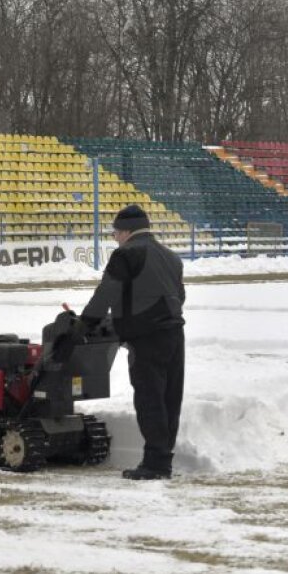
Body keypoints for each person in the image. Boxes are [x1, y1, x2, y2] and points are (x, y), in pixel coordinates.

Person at [79, 204, 185, 480]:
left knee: (150, 398)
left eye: (115, 233)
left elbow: (107, 294)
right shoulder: (171, 257)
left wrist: (85, 324)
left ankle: (155, 464)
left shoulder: (126, 254)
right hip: (174, 334)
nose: (115, 238)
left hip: (146, 339)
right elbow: (178, 296)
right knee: (169, 399)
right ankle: (163, 459)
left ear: (125, 231)